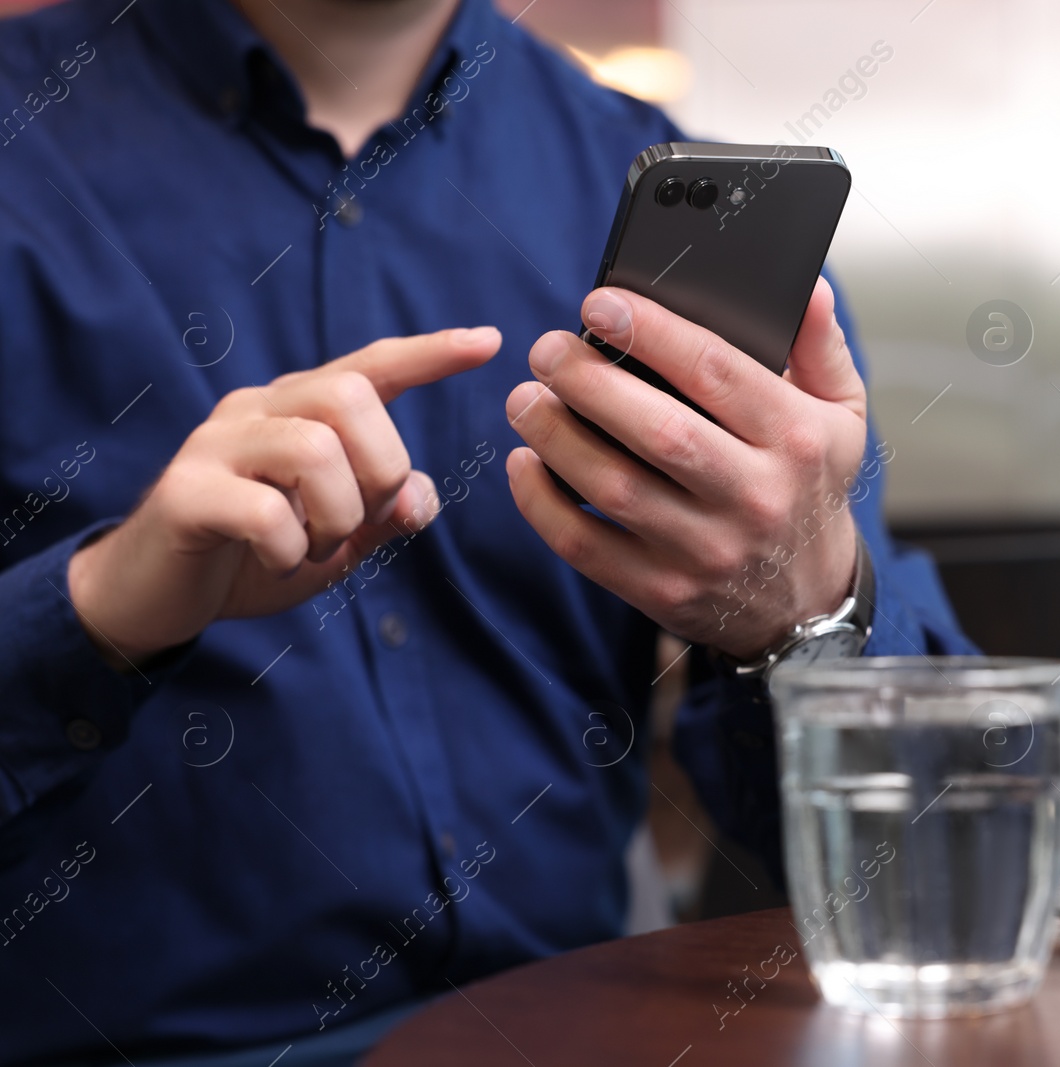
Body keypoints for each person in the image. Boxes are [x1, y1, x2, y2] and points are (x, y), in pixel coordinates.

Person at [0, 0, 975, 1061]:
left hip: (581, 1033)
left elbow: (936, 883)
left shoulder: (656, 187)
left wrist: (810, 616)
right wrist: (100, 606)